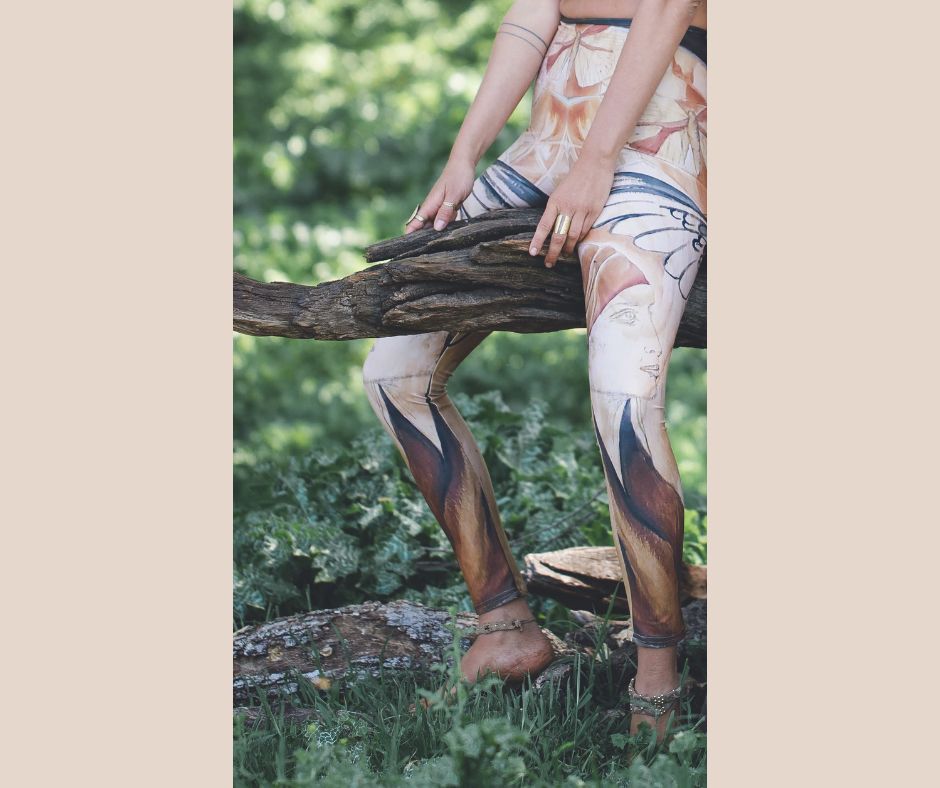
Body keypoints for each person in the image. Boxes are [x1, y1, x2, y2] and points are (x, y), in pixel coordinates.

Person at [361, 0, 706, 740]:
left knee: (625, 396)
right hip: (546, 145)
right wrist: (465, 154)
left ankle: (657, 672)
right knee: (395, 375)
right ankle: (505, 625)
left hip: (658, 139)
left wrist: (600, 158)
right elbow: (533, 15)